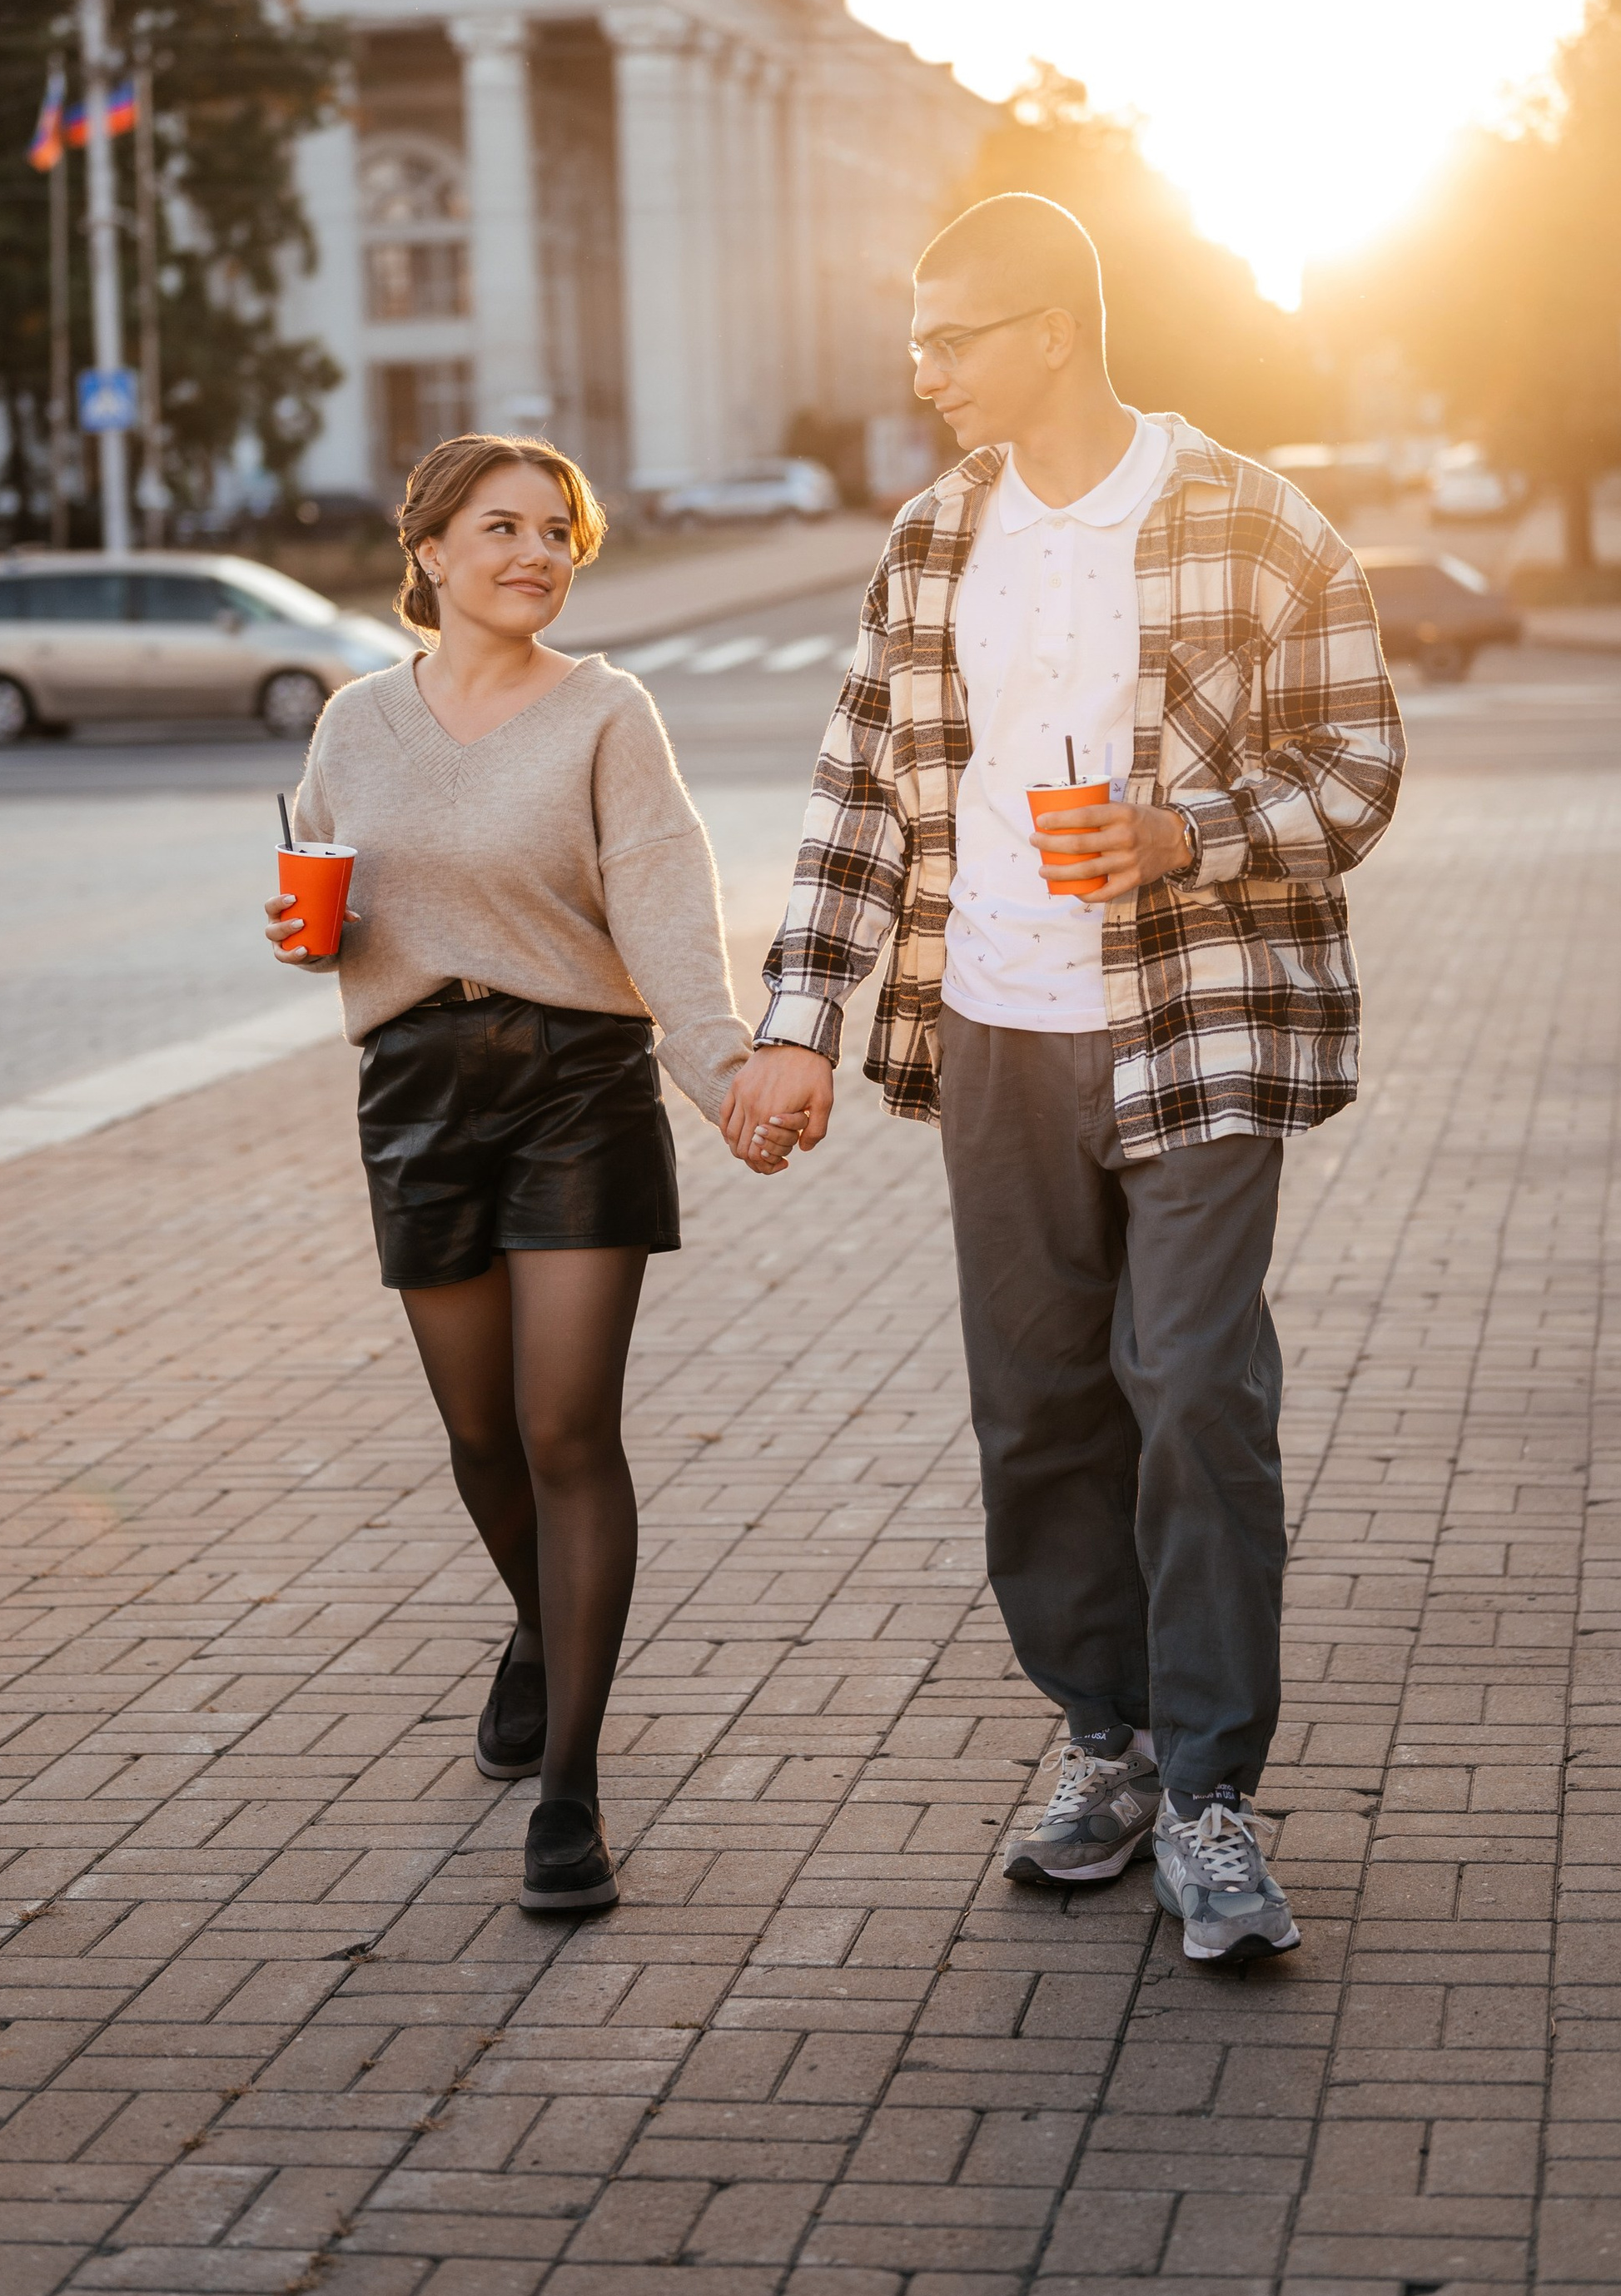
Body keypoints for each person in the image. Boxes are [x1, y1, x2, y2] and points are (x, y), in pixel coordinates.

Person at [722, 195, 1405, 1962]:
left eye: (949, 339)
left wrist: (1187, 829)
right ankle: (1102, 1741)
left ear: (1046, 331)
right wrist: (798, 1022)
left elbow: (1356, 764)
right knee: (1034, 1404)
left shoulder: (1249, 517)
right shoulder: (935, 535)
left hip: (1202, 1014)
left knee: (1186, 1386)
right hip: (992, 1029)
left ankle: (1208, 1791)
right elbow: (857, 794)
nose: (922, 370)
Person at [265, 433, 751, 1916]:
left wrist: (724, 1070)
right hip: (415, 1089)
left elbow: (664, 894)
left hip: (577, 1088)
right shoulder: (355, 722)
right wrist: (303, 931)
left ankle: (571, 1794)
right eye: (502, 527)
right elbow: (318, 886)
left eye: (557, 531)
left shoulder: (609, 713)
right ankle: (537, 1630)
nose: (535, 553)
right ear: (429, 551)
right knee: (478, 1432)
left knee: (561, 1428)